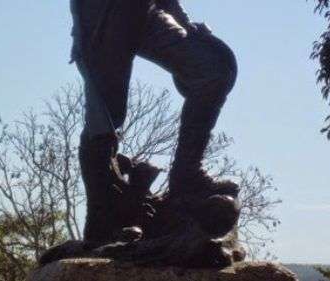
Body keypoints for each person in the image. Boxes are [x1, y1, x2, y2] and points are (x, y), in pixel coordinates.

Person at [72, 0, 238, 244]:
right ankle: (101, 222)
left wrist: (184, 22)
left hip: (144, 9)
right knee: (105, 119)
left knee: (212, 70)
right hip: (102, 15)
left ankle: (187, 176)